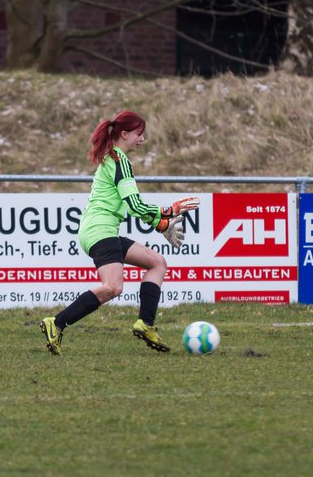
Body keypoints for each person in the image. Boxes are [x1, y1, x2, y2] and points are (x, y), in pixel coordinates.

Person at [40, 110, 198, 356]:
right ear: (124, 134)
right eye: (139, 134)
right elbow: (135, 205)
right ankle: (57, 322)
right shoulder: (119, 160)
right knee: (112, 288)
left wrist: (162, 220)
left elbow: (133, 204)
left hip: (100, 229)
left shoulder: (112, 157)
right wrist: (166, 215)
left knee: (157, 263)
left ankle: (145, 324)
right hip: (100, 230)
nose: (142, 139)